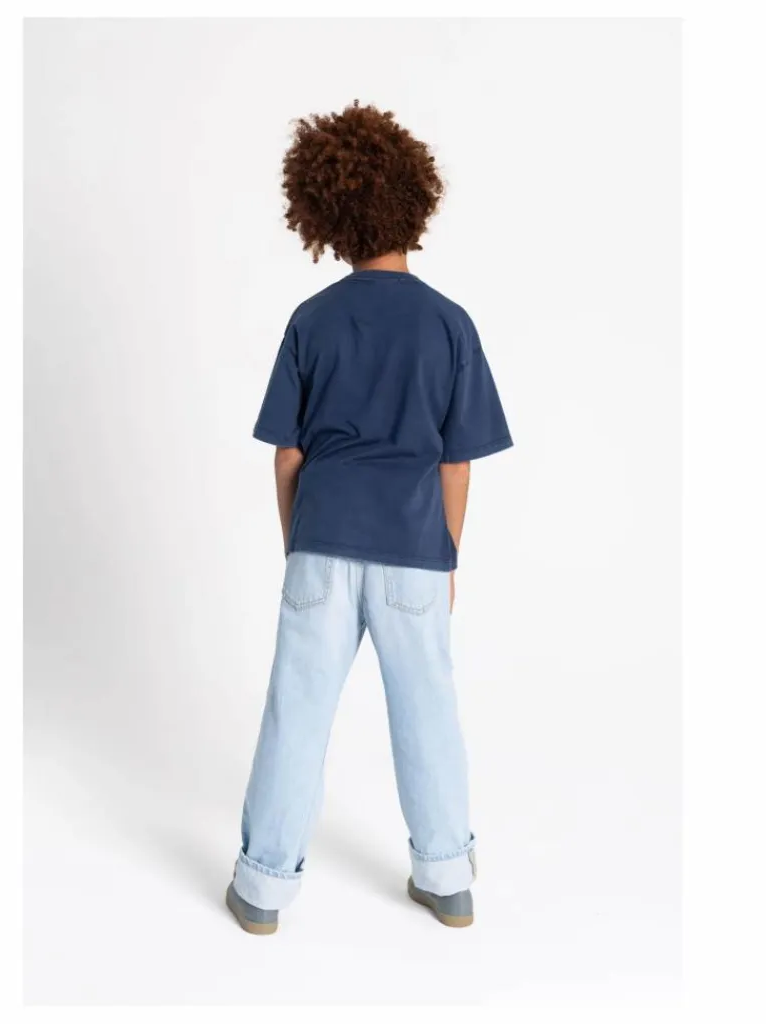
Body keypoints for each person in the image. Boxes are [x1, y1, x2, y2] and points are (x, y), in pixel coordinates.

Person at [226, 101, 512, 934]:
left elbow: (287, 456)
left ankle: (262, 890)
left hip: (322, 543)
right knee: (427, 710)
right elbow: (456, 463)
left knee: (296, 710)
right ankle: (447, 880)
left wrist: (299, 547)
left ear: (328, 215)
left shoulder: (312, 320)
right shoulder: (450, 324)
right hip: (415, 552)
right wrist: (446, 555)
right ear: (414, 205)